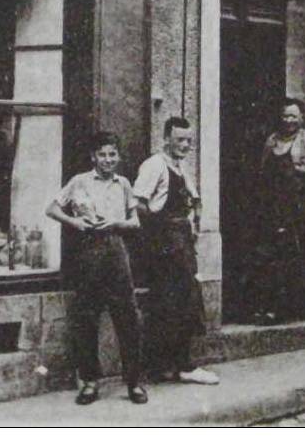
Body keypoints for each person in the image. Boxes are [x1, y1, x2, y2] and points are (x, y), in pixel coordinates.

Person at [46, 131, 148, 405]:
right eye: (102, 154)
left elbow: (135, 221)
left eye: (112, 154)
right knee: (86, 317)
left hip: (116, 250)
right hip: (87, 251)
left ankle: (134, 382)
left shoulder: (124, 184)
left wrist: (115, 223)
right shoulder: (79, 182)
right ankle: (90, 382)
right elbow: (52, 209)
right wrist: (75, 223)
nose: (107, 160)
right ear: (93, 157)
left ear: (118, 156)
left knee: (128, 317)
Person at [134, 116, 219, 385]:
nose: (185, 145)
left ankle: (172, 365)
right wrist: (159, 235)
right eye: (180, 140)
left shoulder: (180, 167)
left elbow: (192, 199)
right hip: (165, 247)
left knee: (183, 303)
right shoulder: (155, 165)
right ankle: (176, 366)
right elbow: (138, 204)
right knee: (171, 303)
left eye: (189, 141)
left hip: (181, 243)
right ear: (166, 139)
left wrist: (192, 221)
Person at [253, 98, 305, 324]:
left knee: (293, 255)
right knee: (269, 256)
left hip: (297, 210)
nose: (289, 120)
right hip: (272, 207)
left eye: (293, 116)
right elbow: (263, 172)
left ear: (302, 118)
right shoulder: (272, 141)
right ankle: (269, 307)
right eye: (285, 116)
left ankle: (292, 309)